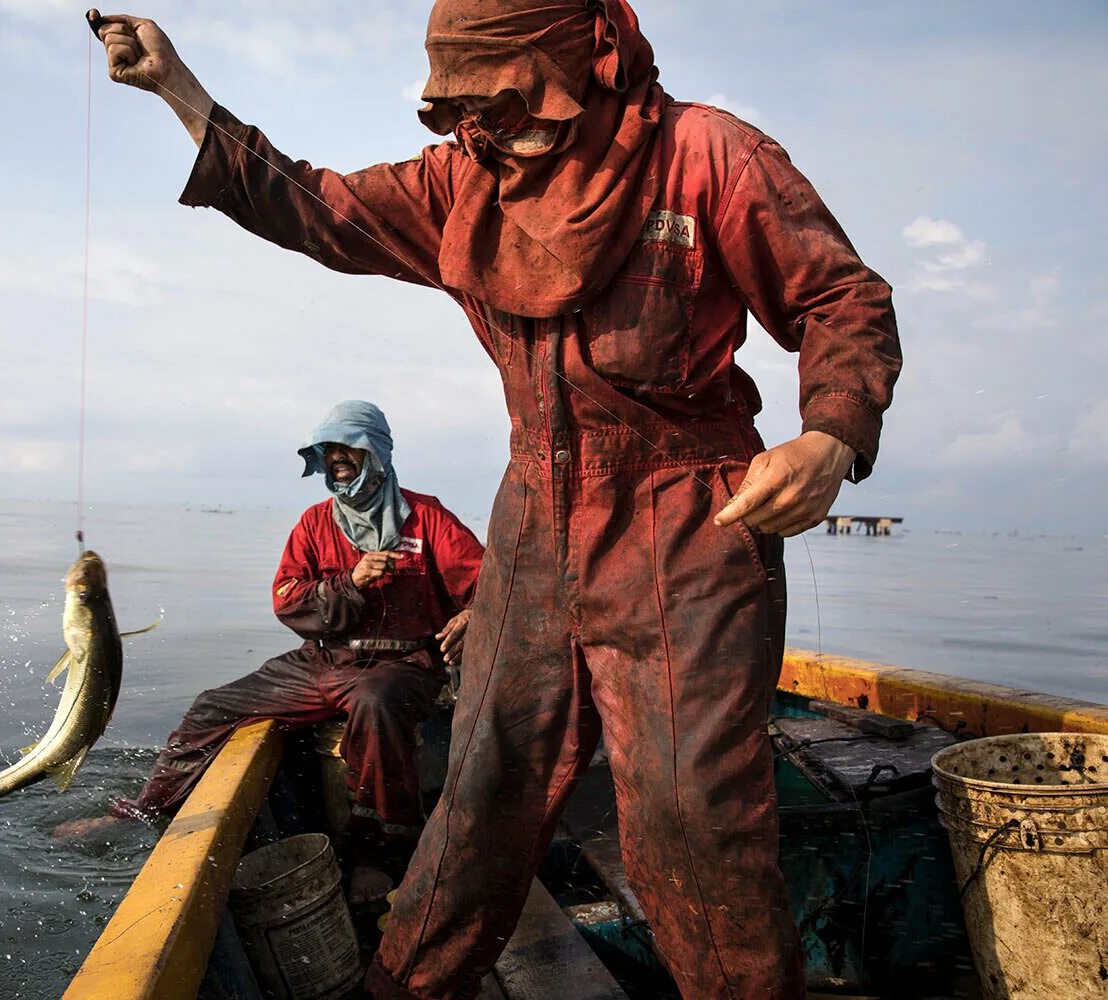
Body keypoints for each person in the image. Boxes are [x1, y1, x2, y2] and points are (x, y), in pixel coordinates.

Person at [88, 3, 902, 995]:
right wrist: (180, 89)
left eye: (518, 107)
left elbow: (843, 300)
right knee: (481, 791)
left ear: (583, 67)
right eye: (474, 111)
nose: (498, 133)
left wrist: (828, 436)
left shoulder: (708, 154)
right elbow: (318, 204)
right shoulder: (461, 181)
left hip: (692, 519)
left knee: (693, 820)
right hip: (534, 518)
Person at [55, 401, 484, 905]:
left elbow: (491, 584)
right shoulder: (314, 522)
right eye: (329, 450)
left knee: (376, 705)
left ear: (377, 452)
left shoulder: (427, 517)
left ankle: (377, 853)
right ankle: (146, 808)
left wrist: (473, 613)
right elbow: (287, 601)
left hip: (402, 665)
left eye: (348, 447)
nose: (337, 459)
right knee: (211, 707)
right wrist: (350, 583)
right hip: (323, 661)